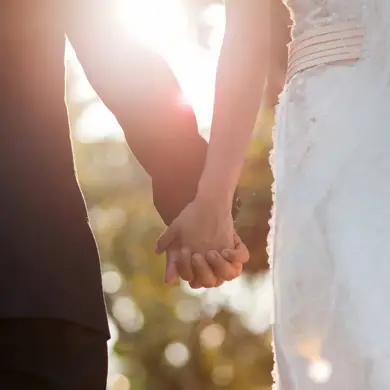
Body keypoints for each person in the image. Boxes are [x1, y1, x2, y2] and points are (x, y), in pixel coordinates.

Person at [2, 0, 250, 389]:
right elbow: (112, 50)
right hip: (35, 284)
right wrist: (201, 198)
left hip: (34, 289)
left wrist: (204, 200)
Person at [157, 0, 390, 388]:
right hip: (330, 132)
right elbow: (245, 38)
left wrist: (212, 206)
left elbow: (247, 37)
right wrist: (211, 203)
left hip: (329, 127)